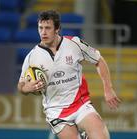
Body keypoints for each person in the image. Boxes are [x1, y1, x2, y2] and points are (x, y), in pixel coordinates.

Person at [17, 10, 121, 139]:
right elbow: (21, 85)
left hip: (80, 104)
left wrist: (108, 88)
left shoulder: (74, 44)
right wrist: (27, 88)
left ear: (57, 29)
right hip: (56, 111)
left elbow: (98, 60)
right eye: (40, 28)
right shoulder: (32, 57)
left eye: (48, 28)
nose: (43, 32)